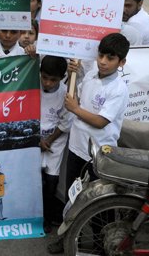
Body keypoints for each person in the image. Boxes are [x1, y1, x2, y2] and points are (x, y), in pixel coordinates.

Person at [64, 33, 130, 194]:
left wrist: (75, 109)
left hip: (97, 154)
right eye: (101, 55)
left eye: (110, 58)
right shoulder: (89, 76)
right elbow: (74, 100)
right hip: (76, 146)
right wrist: (72, 75)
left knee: (92, 201)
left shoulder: (118, 89)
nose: (103, 61)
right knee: (71, 195)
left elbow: (101, 122)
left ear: (121, 62)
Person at [39, 56, 73, 233]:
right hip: (35, 139)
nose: (48, 83)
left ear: (62, 78)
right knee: (35, 179)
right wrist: (37, 140)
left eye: (53, 80)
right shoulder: (32, 87)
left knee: (51, 179)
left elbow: (66, 123)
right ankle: (35, 215)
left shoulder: (67, 94)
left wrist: (48, 141)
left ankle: (48, 216)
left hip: (54, 141)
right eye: (44, 77)